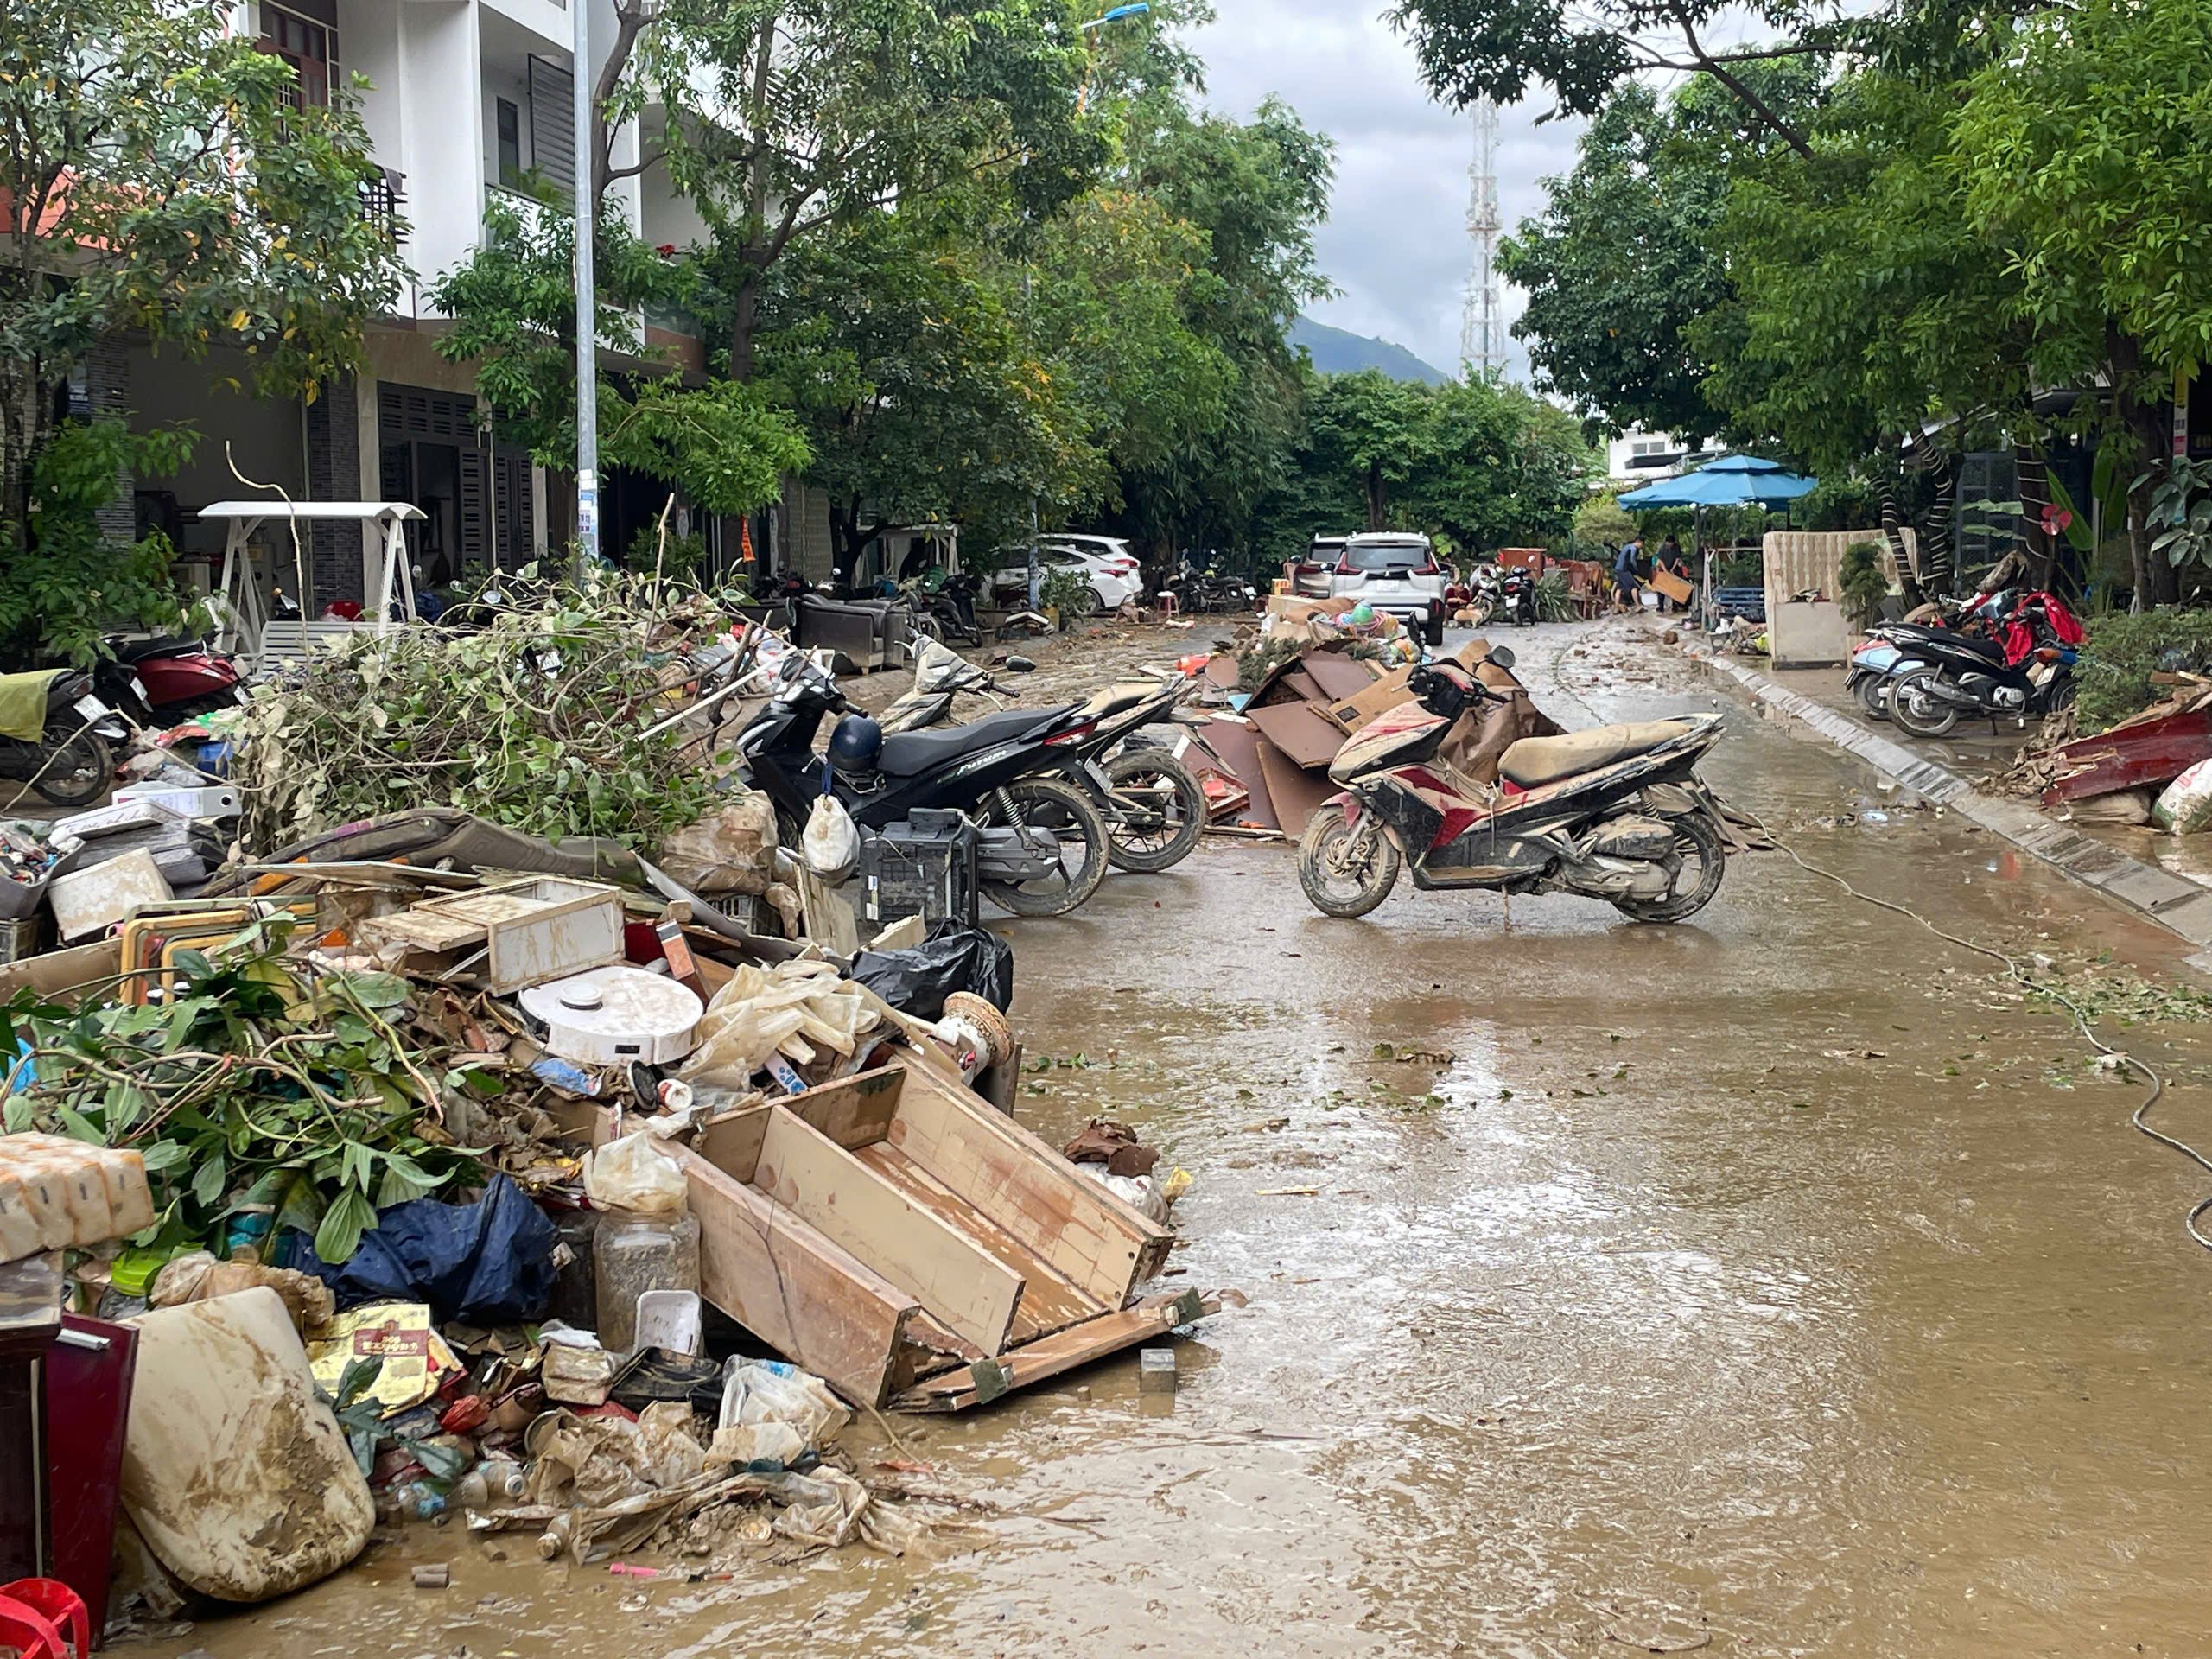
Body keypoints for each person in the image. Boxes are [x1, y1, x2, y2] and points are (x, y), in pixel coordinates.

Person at [1615, 537, 1642, 611]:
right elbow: (1632, 559)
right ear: (1637, 542)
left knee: (1619, 588)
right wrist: (1635, 568)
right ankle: (1638, 606)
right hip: (1624, 570)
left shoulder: (1626, 546)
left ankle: (1616, 608)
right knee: (1634, 587)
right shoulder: (1633, 548)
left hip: (1618, 569)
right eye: (1641, 544)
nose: (1641, 546)